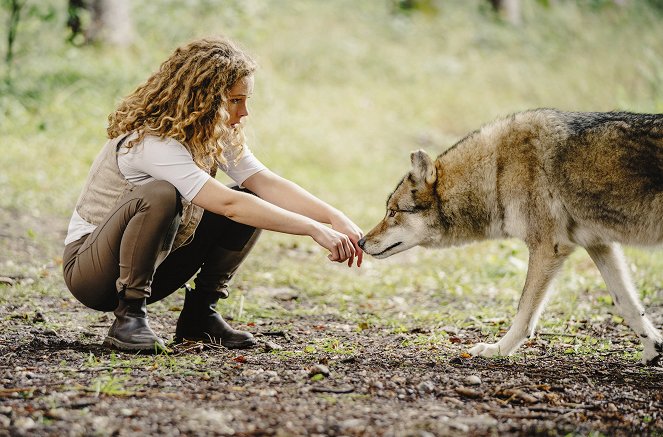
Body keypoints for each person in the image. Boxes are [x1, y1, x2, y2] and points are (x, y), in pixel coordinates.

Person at [62, 36, 363, 353]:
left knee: (254, 198)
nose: (244, 111)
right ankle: (128, 318)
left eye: (245, 100)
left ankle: (199, 316)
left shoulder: (211, 133)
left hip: (156, 266)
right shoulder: (152, 141)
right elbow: (228, 205)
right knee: (161, 193)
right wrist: (314, 229)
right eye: (235, 100)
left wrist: (333, 217)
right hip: (92, 274)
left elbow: (266, 183)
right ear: (202, 98)